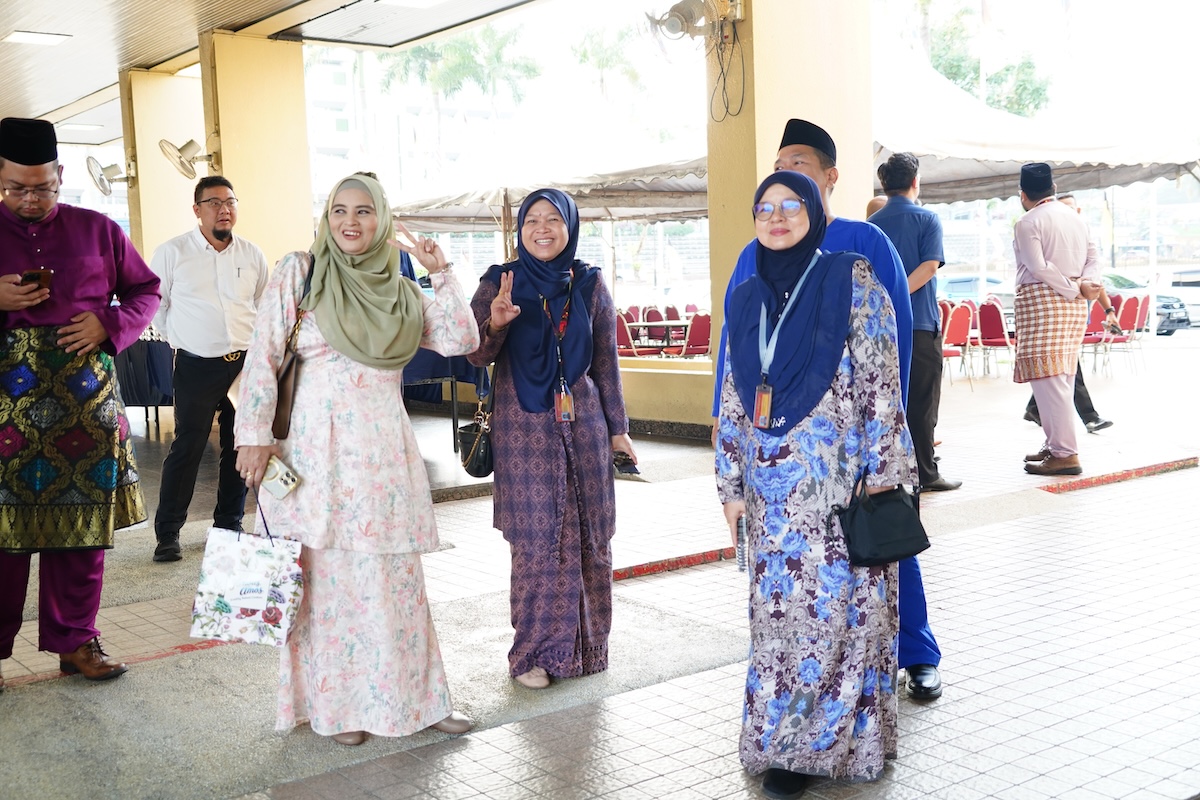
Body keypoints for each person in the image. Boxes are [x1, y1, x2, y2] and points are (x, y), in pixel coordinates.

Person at [233, 172, 476, 746]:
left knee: (395, 581)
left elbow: (460, 340)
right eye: (339, 210)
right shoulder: (301, 271)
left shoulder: (401, 291)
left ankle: (418, 700)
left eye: (364, 211)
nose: (350, 221)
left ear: (382, 221)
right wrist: (253, 435)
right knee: (326, 582)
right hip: (312, 457)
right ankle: (337, 706)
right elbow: (263, 355)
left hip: (383, 458)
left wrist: (441, 272)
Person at [712, 119, 943, 701]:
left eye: (800, 167)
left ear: (829, 177)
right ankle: (797, 686)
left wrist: (884, 442)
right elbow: (736, 345)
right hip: (777, 450)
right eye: (778, 167)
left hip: (852, 445)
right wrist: (726, 424)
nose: (785, 184)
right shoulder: (755, 252)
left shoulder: (864, 243)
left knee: (877, 541)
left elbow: (891, 348)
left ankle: (915, 651)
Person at [717, 171, 917, 797]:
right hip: (769, 497)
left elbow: (882, 382)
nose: (776, 218)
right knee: (776, 623)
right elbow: (732, 395)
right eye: (764, 208)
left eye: (790, 206)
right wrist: (730, 483)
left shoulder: (850, 280)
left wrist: (883, 475)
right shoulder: (745, 298)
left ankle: (824, 749)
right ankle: (782, 743)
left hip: (840, 487)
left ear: (815, 212)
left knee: (842, 615)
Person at [0, 117, 160, 688]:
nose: (30, 199)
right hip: (5, 412)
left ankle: (76, 642)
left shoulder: (98, 229)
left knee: (81, 531)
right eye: (16, 189)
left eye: (42, 188)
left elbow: (145, 290)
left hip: (85, 408)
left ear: (60, 175)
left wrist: (109, 325)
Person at [467, 189, 636, 690]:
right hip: (524, 431)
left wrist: (619, 431)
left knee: (589, 536)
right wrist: (494, 324)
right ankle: (532, 656)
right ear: (520, 230)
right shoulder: (499, 281)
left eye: (553, 219)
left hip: (585, 429)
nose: (542, 229)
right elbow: (472, 352)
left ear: (569, 226)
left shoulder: (589, 283)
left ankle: (586, 649)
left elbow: (606, 362)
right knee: (537, 542)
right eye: (532, 220)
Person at [150, 176, 269, 562]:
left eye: (230, 201)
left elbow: (262, 305)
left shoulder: (252, 253)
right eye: (214, 202)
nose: (224, 209)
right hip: (196, 365)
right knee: (188, 446)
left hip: (244, 366)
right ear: (197, 209)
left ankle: (229, 525)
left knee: (240, 446)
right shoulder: (172, 252)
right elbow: (157, 305)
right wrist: (182, 339)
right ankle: (168, 532)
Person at [869, 153, 961, 491]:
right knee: (923, 403)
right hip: (920, 323)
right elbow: (929, 266)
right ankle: (925, 473)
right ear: (915, 182)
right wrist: (899, 295)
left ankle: (889, 473)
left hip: (880, 328)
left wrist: (886, 299)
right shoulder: (927, 219)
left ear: (884, 184)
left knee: (886, 401)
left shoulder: (872, 224)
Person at [1013, 164, 1101, 476]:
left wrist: (1071, 288)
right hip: (1074, 306)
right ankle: (1055, 445)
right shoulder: (1076, 218)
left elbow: (1037, 267)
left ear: (1023, 195)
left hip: (1044, 301)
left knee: (1048, 380)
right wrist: (1084, 286)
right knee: (1060, 376)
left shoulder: (1027, 221)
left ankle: (1065, 453)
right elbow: (1093, 259)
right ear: (1053, 188)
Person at [1023, 194, 1113, 434]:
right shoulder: (1047, 234)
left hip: (1075, 315)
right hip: (1056, 312)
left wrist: (1108, 309)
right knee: (1066, 368)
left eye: (1071, 208)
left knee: (1059, 370)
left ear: (1079, 210)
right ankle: (1086, 419)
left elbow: (1095, 277)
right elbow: (1041, 269)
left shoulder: (1080, 233)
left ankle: (1037, 412)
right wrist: (1075, 289)